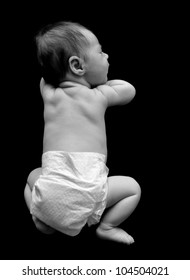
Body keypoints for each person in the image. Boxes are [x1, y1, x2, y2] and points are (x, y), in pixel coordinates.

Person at [24, 21, 141, 244]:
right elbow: (129, 90)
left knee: (32, 176)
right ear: (78, 66)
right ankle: (107, 227)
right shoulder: (99, 96)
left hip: (50, 193)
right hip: (90, 192)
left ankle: (39, 216)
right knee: (132, 188)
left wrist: (54, 67)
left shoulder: (48, 94)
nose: (107, 55)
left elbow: (45, 76)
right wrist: (100, 83)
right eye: (100, 51)